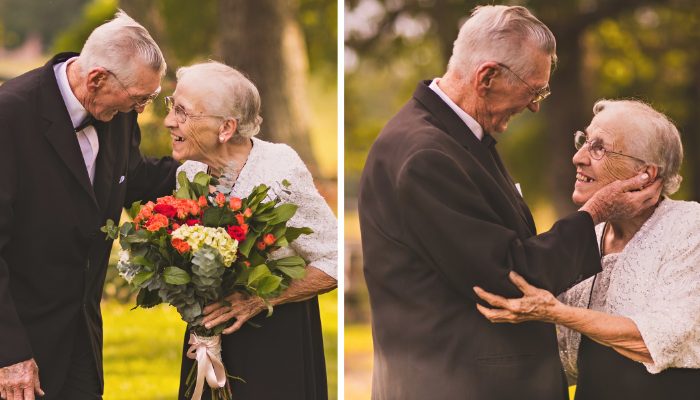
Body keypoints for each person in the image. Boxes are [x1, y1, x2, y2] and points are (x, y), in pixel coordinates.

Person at [358, 5, 662, 400]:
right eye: (534, 90)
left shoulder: (455, 137)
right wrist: (594, 214)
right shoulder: (427, 157)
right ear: (487, 76)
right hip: (459, 386)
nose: (536, 104)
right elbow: (508, 279)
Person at [0, 11, 179, 400]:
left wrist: (209, 167)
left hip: (82, 336)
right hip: (18, 346)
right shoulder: (9, 115)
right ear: (96, 78)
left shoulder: (116, 112)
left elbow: (132, 177)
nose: (142, 110)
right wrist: (9, 353)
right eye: (139, 99)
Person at [474, 99, 700, 400]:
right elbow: (556, 353)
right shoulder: (588, 239)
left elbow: (660, 339)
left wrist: (557, 313)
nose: (578, 158)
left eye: (599, 148)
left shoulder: (689, 226)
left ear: (644, 173)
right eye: (583, 141)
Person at [164, 61, 337, 400]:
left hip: (274, 338)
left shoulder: (279, 168)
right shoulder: (189, 173)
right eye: (171, 106)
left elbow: (333, 259)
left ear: (226, 127)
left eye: (183, 112)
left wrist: (257, 299)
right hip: (209, 336)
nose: (170, 120)